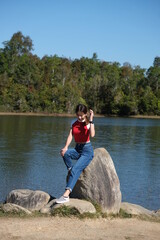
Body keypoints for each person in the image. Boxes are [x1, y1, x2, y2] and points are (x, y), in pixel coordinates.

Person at [56, 103, 95, 204]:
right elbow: (70, 136)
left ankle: (66, 195)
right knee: (65, 153)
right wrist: (65, 147)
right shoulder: (73, 123)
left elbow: (92, 134)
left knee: (76, 169)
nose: (79, 117)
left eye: (81, 114)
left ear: (85, 114)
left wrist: (91, 119)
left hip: (87, 151)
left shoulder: (87, 123)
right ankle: (71, 171)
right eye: (78, 114)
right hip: (77, 149)